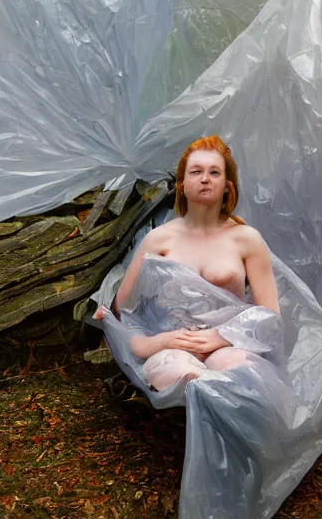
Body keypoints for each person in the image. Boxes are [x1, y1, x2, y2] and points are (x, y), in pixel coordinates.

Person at [94, 135, 280, 391]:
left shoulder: (246, 239)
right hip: (172, 347)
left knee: (243, 375)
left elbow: (270, 315)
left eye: (214, 172)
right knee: (181, 373)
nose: (205, 178)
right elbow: (126, 310)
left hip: (229, 344)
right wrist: (164, 340)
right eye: (196, 172)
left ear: (227, 185)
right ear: (182, 185)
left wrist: (221, 337)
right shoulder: (159, 239)